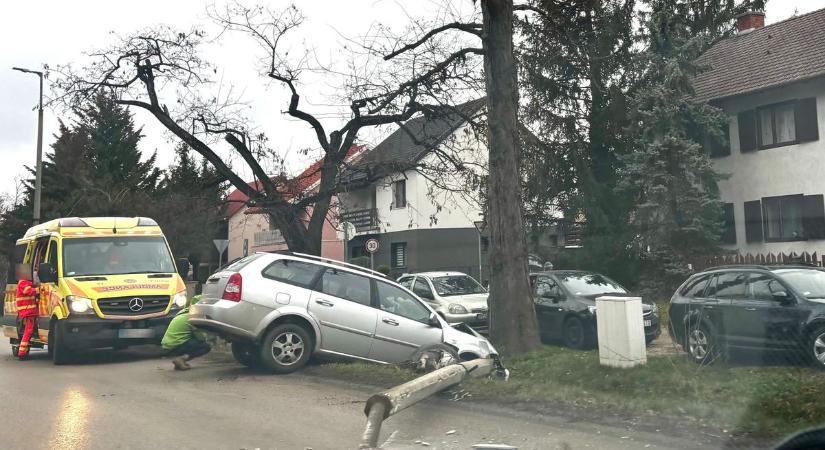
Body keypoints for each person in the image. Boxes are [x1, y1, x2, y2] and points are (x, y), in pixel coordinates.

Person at [161, 295, 210, 370]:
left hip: (167, 346)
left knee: (191, 339)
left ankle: (179, 363)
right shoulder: (192, 318)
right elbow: (200, 338)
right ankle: (182, 359)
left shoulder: (182, 313)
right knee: (206, 346)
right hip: (175, 346)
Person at [15, 264, 39, 359]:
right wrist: (39, 289)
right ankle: (22, 353)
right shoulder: (23, 283)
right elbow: (28, 291)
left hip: (28, 311)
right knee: (28, 331)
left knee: (27, 331)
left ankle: (22, 351)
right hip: (28, 312)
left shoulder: (24, 282)